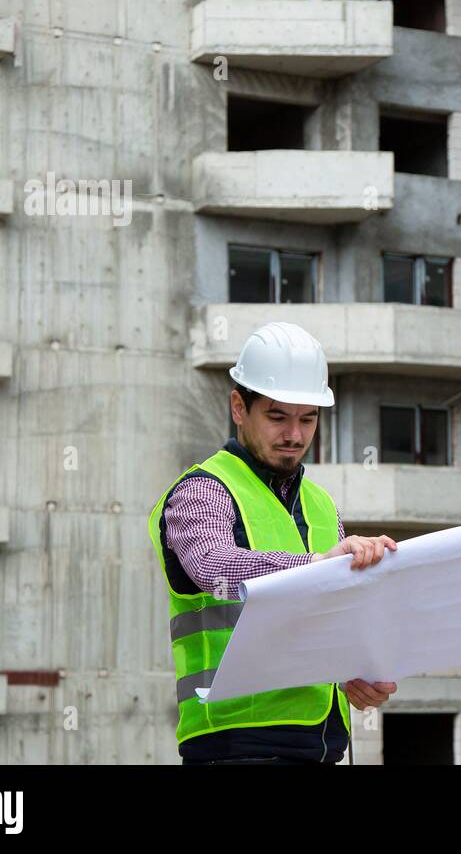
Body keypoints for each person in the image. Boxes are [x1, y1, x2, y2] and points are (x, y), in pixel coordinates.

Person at [146, 321, 399, 764]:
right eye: (278, 416)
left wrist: (354, 672)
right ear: (239, 408)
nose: (295, 436)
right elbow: (214, 568)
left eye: (308, 418)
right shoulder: (203, 490)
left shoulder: (320, 504)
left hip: (321, 746)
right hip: (235, 745)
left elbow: (325, 612)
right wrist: (318, 565)